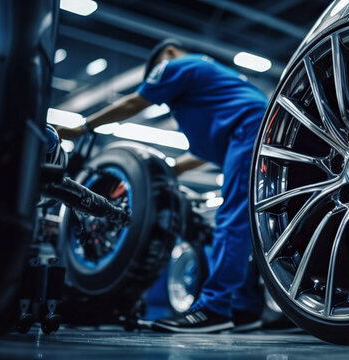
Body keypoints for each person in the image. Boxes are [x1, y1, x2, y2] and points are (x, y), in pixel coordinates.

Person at [59, 39, 267, 333]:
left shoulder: (177, 65)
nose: (156, 79)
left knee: (231, 219)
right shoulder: (211, 85)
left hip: (248, 131)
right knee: (251, 224)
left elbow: (134, 102)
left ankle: (215, 308)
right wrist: (168, 170)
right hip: (252, 133)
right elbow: (199, 154)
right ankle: (246, 309)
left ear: (168, 53)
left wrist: (82, 127)